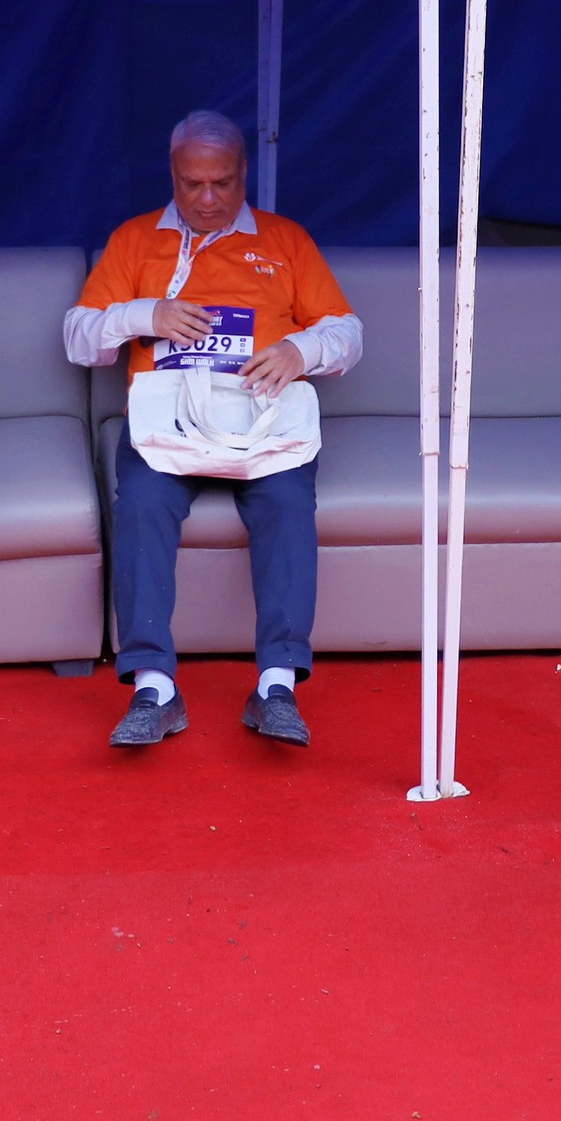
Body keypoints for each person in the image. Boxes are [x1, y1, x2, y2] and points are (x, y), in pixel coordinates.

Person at [64, 110, 360, 751]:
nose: (206, 200)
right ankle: (153, 688)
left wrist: (300, 351)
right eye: (191, 184)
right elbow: (78, 337)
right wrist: (146, 314)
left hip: (262, 415)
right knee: (140, 507)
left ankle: (277, 685)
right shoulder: (136, 239)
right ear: (172, 176)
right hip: (167, 423)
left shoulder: (285, 240)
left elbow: (347, 331)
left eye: (221, 183)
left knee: (288, 505)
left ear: (243, 174)